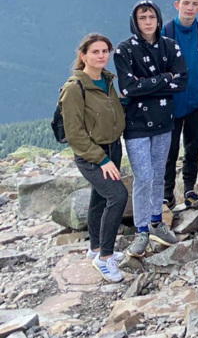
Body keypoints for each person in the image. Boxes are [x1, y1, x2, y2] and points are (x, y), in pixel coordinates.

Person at [114, 0, 187, 257]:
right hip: (136, 125)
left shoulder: (170, 46)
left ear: (158, 18)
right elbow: (127, 88)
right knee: (143, 177)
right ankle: (141, 230)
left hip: (164, 123)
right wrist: (164, 78)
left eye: (151, 17)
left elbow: (181, 82)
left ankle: (157, 222)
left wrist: (146, 84)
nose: (148, 22)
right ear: (135, 21)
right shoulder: (124, 51)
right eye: (142, 17)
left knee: (158, 174)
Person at [61, 33, 128, 282]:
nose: (101, 56)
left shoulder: (107, 81)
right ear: (83, 55)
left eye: (104, 51)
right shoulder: (74, 88)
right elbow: (75, 134)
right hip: (92, 154)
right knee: (117, 195)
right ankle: (105, 258)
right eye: (95, 52)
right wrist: (101, 160)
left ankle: (96, 248)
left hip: (113, 147)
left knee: (99, 198)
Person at [162, 0, 198, 211]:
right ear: (177, 5)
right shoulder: (166, 32)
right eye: (186, 3)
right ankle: (167, 195)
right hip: (171, 104)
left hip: (196, 102)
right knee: (169, 151)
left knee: (192, 150)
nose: (190, 8)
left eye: (195, 4)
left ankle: (189, 191)